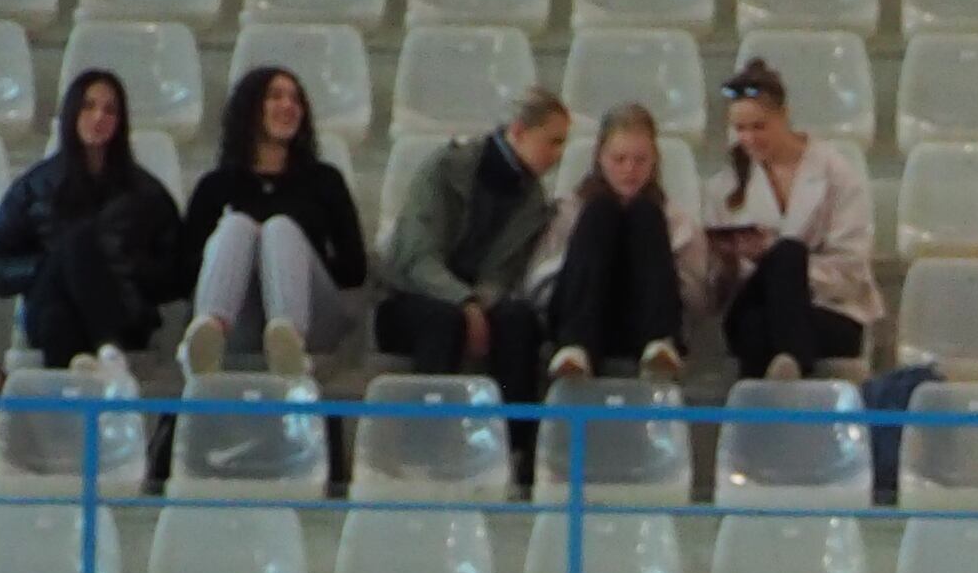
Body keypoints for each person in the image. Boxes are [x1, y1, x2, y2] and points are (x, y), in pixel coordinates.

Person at [372, 88, 571, 403]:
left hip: (477, 300)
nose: (559, 154)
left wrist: (478, 302)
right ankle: (431, 435)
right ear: (519, 131)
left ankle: (515, 441)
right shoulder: (443, 168)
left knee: (519, 321)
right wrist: (464, 302)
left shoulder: (533, 202)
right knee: (443, 322)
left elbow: (503, 274)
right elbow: (416, 259)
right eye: (553, 141)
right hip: (410, 297)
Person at [0, 68, 181, 370]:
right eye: (88, 106)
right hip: (52, 310)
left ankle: (92, 365)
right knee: (72, 254)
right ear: (72, 112)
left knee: (79, 244)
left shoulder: (146, 193)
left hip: (124, 314)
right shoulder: (34, 186)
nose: (98, 117)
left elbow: (177, 272)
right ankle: (106, 354)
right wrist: (49, 266)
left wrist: (124, 266)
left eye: (110, 110)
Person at [175, 62, 365, 382]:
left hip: (312, 312)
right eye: (275, 97)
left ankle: (288, 343)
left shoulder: (324, 180)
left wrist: (289, 256)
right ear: (251, 108)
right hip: (240, 316)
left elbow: (354, 268)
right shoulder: (216, 185)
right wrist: (249, 253)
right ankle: (207, 333)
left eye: (295, 99)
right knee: (237, 226)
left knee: (279, 229)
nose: (288, 106)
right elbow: (181, 272)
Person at [702, 56, 878, 382]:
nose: (750, 139)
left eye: (759, 127)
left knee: (787, 256)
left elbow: (851, 268)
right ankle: (793, 361)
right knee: (757, 315)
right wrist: (727, 262)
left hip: (829, 310)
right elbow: (718, 293)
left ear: (784, 116)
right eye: (741, 129)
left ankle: (778, 385)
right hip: (754, 303)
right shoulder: (724, 187)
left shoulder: (836, 173)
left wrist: (788, 270)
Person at [528, 101, 698, 385]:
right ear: (600, 159)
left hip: (644, 318)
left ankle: (659, 345)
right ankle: (576, 348)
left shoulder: (674, 218)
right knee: (600, 211)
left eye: (640, 160)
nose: (629, 170)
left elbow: (696, 294)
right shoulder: (570, 209)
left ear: (654, 160)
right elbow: (538, 282)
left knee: (645, 212)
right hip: (583, 315)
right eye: (619, 159)